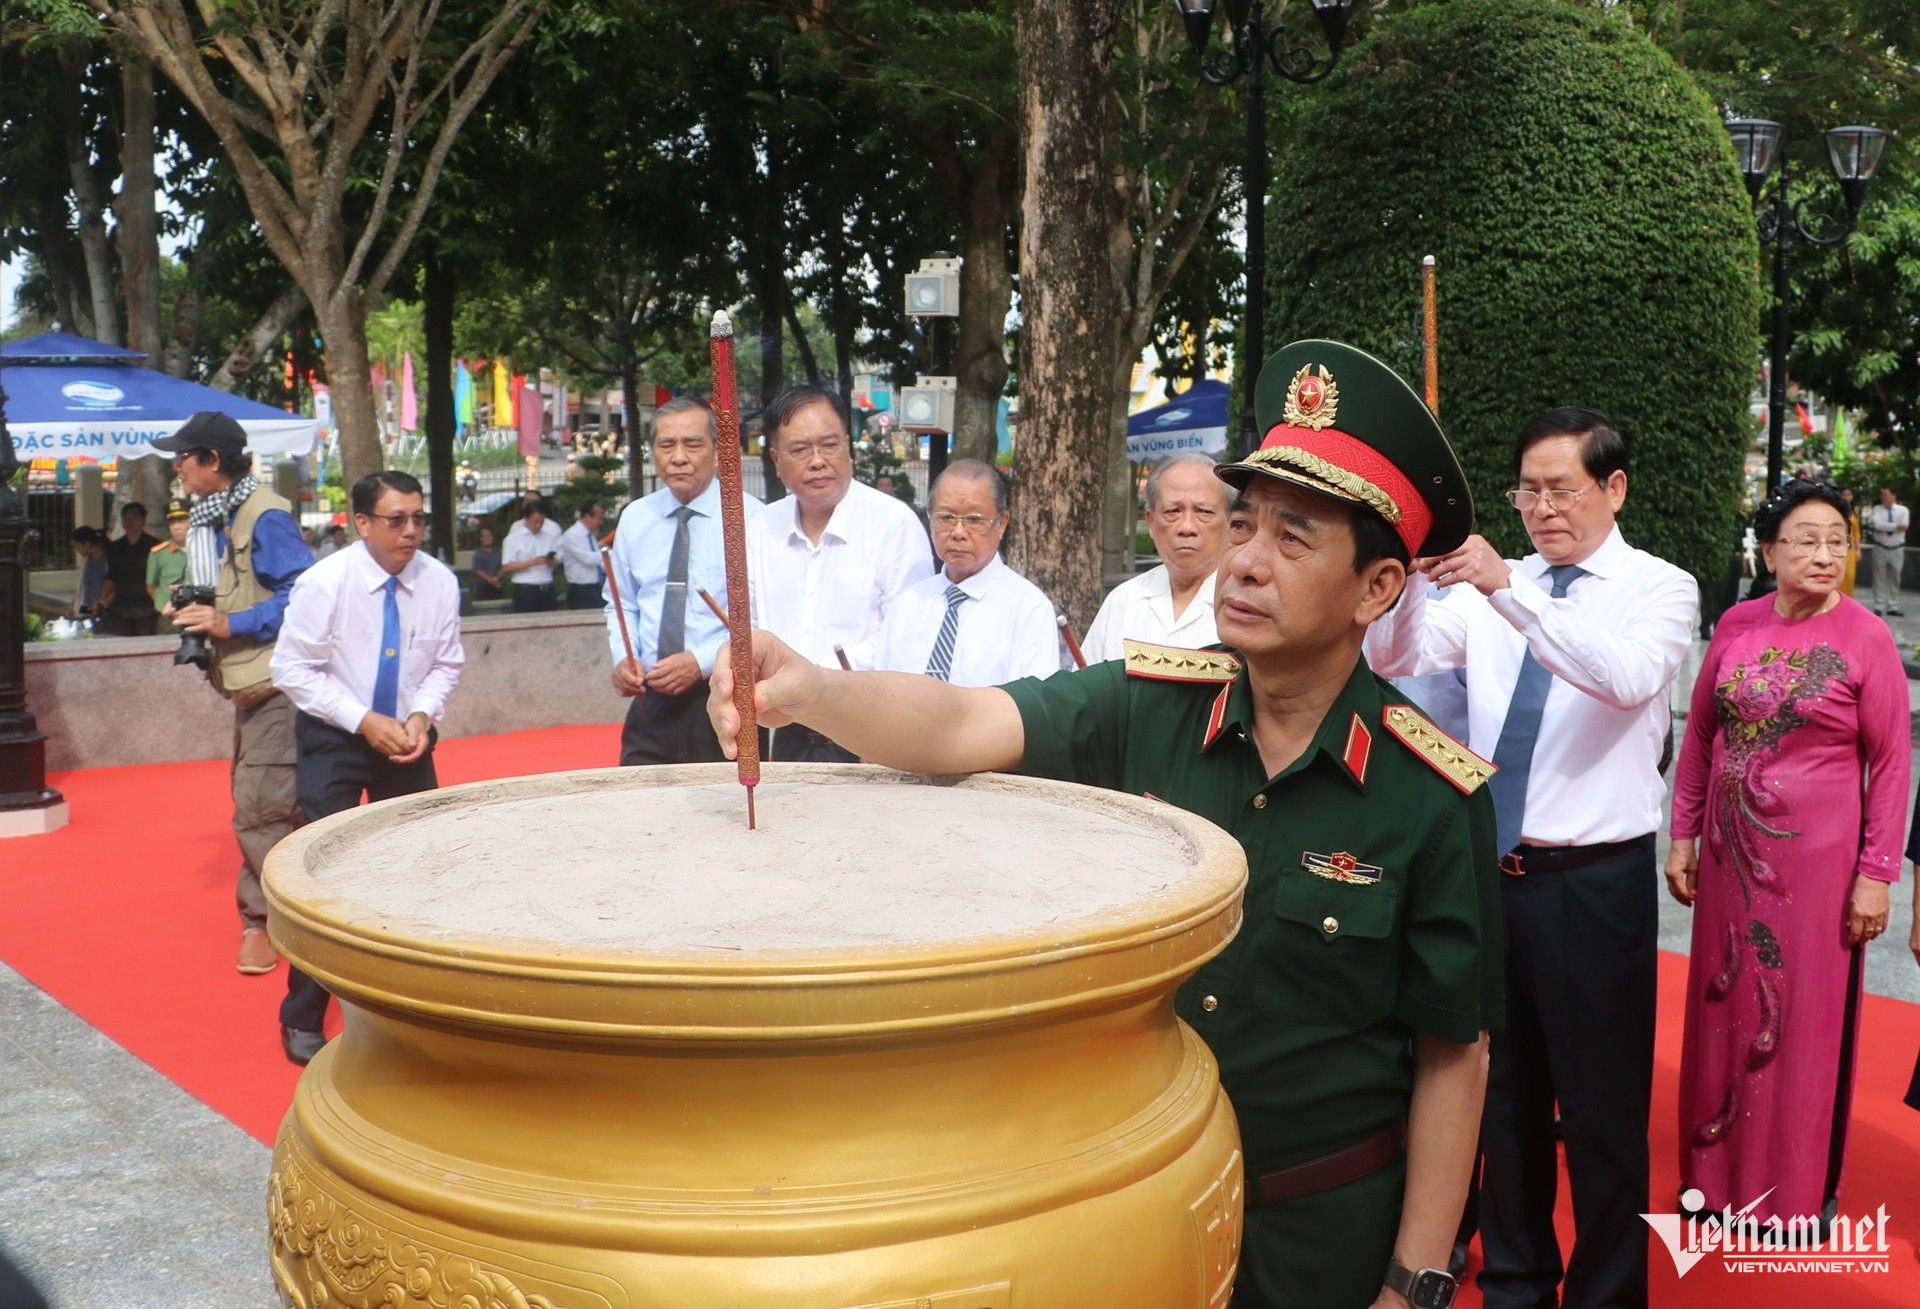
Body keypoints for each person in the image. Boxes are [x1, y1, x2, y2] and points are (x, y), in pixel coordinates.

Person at [713, 340, 1499, 1309]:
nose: (1244, 561)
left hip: (1322, 1235)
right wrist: (808, 689)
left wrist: (1410, 1281)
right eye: (1243, 525)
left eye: (1292, 541)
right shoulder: (1149, 704)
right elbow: (960, 723)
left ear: (1378, 589)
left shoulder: (1431, 792)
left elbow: (1452, 1053)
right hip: (1136, 1217)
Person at [1366, 406, 1697, 1309]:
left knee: (1601, 1115)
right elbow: (1397, 657)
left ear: (1613, 487)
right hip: (1492, 877)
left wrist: (1506, 591)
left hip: (1595, 886)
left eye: (1562, 488)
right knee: (1499, 1103)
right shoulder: (1491, 591)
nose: (1543, 508)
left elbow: (1623, 677)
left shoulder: (1660, 588)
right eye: (1528, 491)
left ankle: (1606, 1292)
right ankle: (1515, 1285)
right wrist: (1409, 584)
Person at [1665, 480, 1905, 1230]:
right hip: (1732, 861)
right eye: (1806, 538)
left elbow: (1892, 764)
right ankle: (1712, 1178)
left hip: (1822, 870)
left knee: (1800, 1021)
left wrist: (1876, 875)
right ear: (1768, 551)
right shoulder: (1736, 623)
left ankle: (1793, 1193)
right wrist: (1684, 832)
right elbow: (1702, 735)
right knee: (1721, 1005)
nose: (1825, 554)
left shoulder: (1866, 636)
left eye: (1837, 539)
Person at [269, 470, 464, 1065]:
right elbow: (291, 670)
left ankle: (410, 1001)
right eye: (395, 520)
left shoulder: (439, 582)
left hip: (407, 736)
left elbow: (445, 662)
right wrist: (361, 720)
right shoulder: (325, 583)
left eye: (418, 519)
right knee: (326, 871)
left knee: (416, 866)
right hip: (335, 733)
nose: (410, 532)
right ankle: (302, 1013)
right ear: (361, 524)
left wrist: (423, 716)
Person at [153, 412, 309, 976]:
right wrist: (197, 608)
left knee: (260, 807)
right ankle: (275, 919)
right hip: (250, 685)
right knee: (265, 805)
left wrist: (229, 624)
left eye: (183, 457)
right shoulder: (215, 515)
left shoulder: (264, 514)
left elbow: (302, 593)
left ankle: (275, 922)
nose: (177, 467)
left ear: (212, 462)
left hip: (277, 685)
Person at [746, 384, 934, 761]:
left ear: (848, 447)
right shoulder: (761, 528)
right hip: (787, 728)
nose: (817, 461)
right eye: (800, 450)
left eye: (829, 445)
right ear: (776, 460)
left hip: (868, 726)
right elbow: (747, 623)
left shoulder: (894, 523)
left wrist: (816, 683)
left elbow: (907, 637)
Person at [605, 396, 764, 765]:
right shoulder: (635, 518)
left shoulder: (751, 520)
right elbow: (621, 601)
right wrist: (623, 657)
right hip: (650, 699)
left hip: (723, 694)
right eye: (666, 445)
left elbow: (761, 618)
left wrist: (701, 661)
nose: (678, 457)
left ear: (717, 450)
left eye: (692, 444)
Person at [872, 460, 1059, 686]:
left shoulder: (1028, 609)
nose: (958, 532)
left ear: (1001, 524)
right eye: (947, 518)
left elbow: (1031, 710)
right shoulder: (907, 605)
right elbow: (881, 693)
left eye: (974, 520)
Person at [1084, 453, 1230, 661]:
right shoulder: (1123, 601)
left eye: (1204, 511)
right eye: (1173, 511)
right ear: (1151, 522)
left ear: (1231, 522)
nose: (1187, 527)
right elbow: (1086, 686)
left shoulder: (1244, 606)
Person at [102, 502, 162, 635]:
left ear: (143, 520)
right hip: (120, 608)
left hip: (147, 609)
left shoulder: (156, 546)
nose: (130, 522)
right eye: (126, 518)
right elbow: (111, 577)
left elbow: (160, 579)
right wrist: (101, 598)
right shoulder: (115, 547)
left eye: (134, 517)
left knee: (145, 648)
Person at [500, 499, 562, 611]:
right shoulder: (512, 539)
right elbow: (506, 567)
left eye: (542, 522)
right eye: (535, 522)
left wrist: (551, 561)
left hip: (547, 588)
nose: (538, 525)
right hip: (526, 590)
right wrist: (532, 562)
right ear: (526, 519)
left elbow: (556, 564)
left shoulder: (548, 537)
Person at [1864, 486, 1908, 616]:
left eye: (1886, 494)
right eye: (1882, 494)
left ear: (1894, 496)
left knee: (1895, 578)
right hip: (1880, 548)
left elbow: (1904, 527)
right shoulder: (1877, 509)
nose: (1883, 496)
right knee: (1878, 578)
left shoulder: (1903, 510)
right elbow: (1877, 525)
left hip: (1897, 549)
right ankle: (1878, 606)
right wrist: (1896, 526)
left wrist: (1886, 526)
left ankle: (1892, 606)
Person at [557, 500, 607, 609]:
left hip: (596, 587)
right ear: (588, 516)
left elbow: (597, 561)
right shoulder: (572, 535)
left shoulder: (589, 535)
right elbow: (587, 558)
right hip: (582, 591)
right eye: (599, 518)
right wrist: (608, 554)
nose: (601, 522)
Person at [146, 497, 192, 611]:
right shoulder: (158, 553)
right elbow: (151, 586)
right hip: (169, 616)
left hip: (196, 613)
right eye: (172, 522)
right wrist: (163, 606)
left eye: (181, 521)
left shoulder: (202, 549)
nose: (176, 527)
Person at [66, 527, 108, 621]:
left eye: (77, 546)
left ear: (87, 544)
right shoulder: (86, 561)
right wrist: (73, 603)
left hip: (101, 610)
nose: (76, 550)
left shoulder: (106, 562)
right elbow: (82, 585)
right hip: (87, 609)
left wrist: (101, 604)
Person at [470, 525, 504, 601]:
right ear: (481, 539)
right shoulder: (477, 554)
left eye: (489, 536)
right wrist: (492, 581)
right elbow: (478, 570)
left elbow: (503, 567)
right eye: (485, 536)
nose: (488, 538)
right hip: (483, 587)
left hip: (498, 585)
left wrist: (497, 579)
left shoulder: (499, 553)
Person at [1837, 487, 1860, 597]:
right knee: (1839, 574)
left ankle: (1848, 600)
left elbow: (1856, 531)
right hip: (1838, 545)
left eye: (1849, 494)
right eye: (1844, 494)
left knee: (1850, 575)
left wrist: (1858, 549)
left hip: (1851, 547)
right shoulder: (1836, 509)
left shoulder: (1854, 510)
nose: (1846, 497)